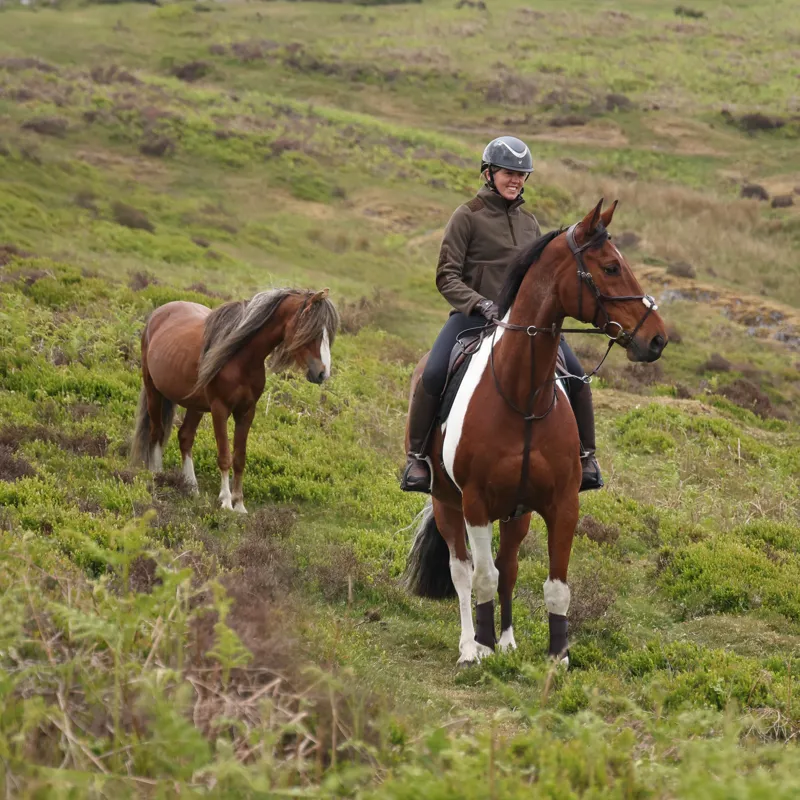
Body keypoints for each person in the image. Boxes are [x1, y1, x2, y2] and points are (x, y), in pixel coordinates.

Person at [400, 135, 604, 495]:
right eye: (510, 173)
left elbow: (542, 279)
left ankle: (586, 457)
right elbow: (446, 276)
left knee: (577, 377)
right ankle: (417, 457)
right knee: (432, 373)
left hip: (525, 325)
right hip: (473, 318)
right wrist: (480, 304)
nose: (516, 180)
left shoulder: (530, 223)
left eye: (523, 175)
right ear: (489, 172)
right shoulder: (467, 216)